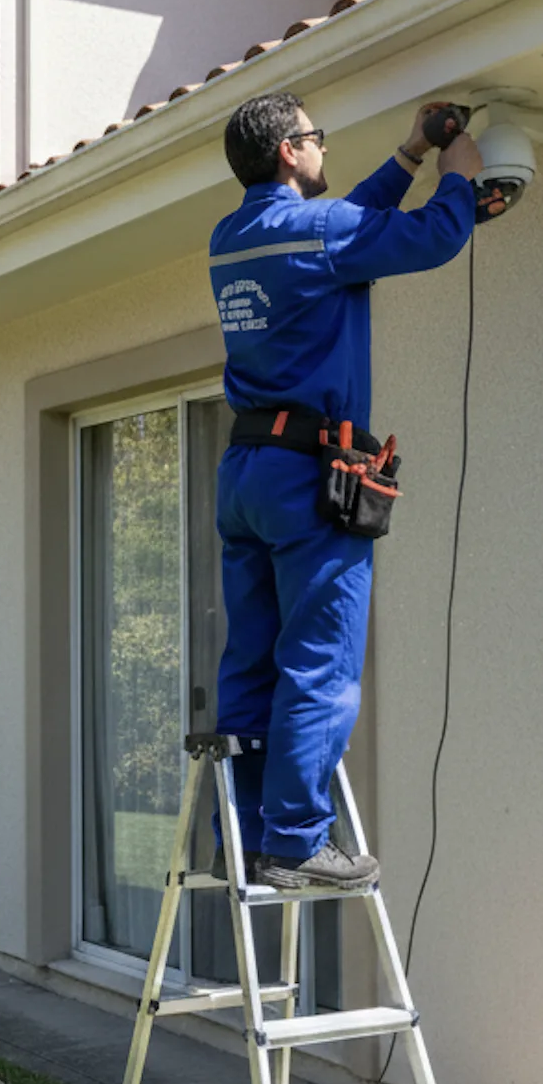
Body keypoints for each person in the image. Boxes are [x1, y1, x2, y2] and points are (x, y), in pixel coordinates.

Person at [208, 91, 481, 890]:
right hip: (306, 479)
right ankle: (296, 842)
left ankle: (248, 838)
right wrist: (459, 179)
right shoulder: (318, 233)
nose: (323, 149)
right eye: (316, 138)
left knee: (252, 662)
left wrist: (408, 156)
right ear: (290, 153)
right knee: (318, 665)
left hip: (248, 474)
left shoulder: (233, 237)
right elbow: (428, 239)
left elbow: (344, 229)